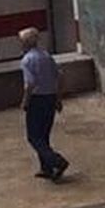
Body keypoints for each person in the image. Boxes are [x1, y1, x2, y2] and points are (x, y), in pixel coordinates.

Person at [18, 27, 68, 181]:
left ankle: (56, 161)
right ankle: (46, 168)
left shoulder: (27, 61)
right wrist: (58, 98)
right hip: (50, 98)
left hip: (37, 100)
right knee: (44, 135)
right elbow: (59, 76)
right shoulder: (46, 56)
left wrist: (25, 101)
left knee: (34, 136)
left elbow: (30, 84)